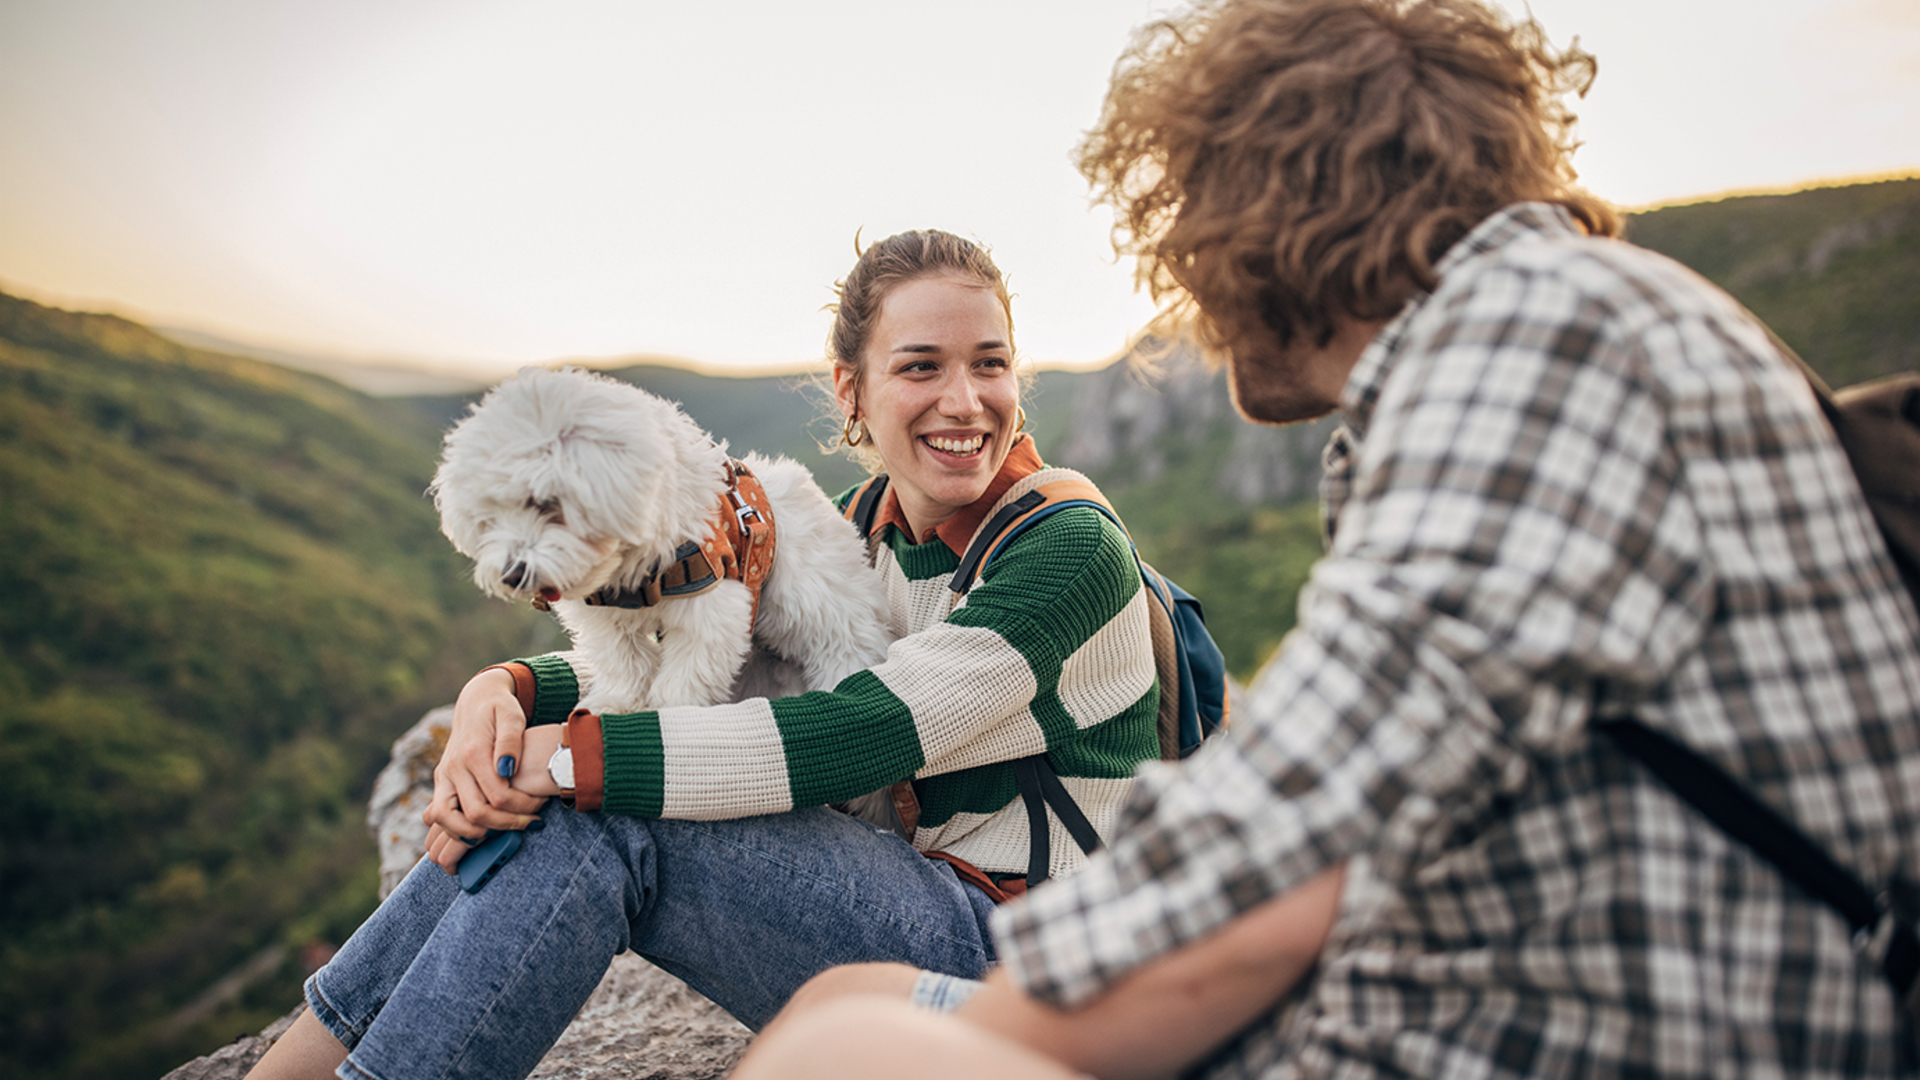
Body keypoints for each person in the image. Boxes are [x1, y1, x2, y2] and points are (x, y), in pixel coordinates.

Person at [738, 1, 1920, 1077]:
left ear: (1269, 212)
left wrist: (980, 1021)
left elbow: (1301, 815)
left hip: (1543, 1034)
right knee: (858, 1002)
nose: (1185, 271)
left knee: (841, 1047)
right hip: (1512, 983)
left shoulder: (1534, 346)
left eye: (1190, 213)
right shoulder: (1576, 321)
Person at [246, 229, 1163, 1080]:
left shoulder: (1066, 549)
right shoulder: (859, 529)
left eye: (990, 365)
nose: (964, 401)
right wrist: (510, 692)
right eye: (921, 367)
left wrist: (566, 758)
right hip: (901, 892)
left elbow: (871, 731)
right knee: (572, 788)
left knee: (603, 801)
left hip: (1015, 955)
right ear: (853, 392)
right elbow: (708, 662)